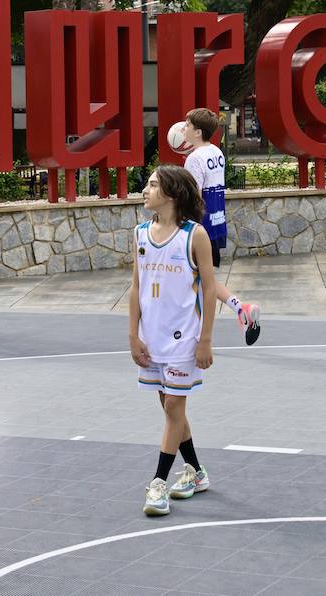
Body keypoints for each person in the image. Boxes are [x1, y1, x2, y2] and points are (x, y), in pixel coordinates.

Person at [130, 166, 221, 517]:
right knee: (169, 406)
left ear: (171, 194)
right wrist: (132, 335)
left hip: (185, 339)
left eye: (153, 185)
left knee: (172, 409)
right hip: (151, 339)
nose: (146, 190)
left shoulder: (193, 235)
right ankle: (196, 473)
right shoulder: (140, 233)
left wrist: (206, 340)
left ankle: (158, 484)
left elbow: (211, 288)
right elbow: (136, 287)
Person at [182, 107, 261, 344]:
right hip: (216, 222)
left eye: (186, 125)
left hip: (199, 226)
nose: (183, 128)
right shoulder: (216, 152)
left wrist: (183, 226)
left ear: (197, 132)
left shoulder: (194, 159)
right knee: (204, 277)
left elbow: (193, 196)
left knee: (195, 280)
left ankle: (195, 334)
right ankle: (241, 309)